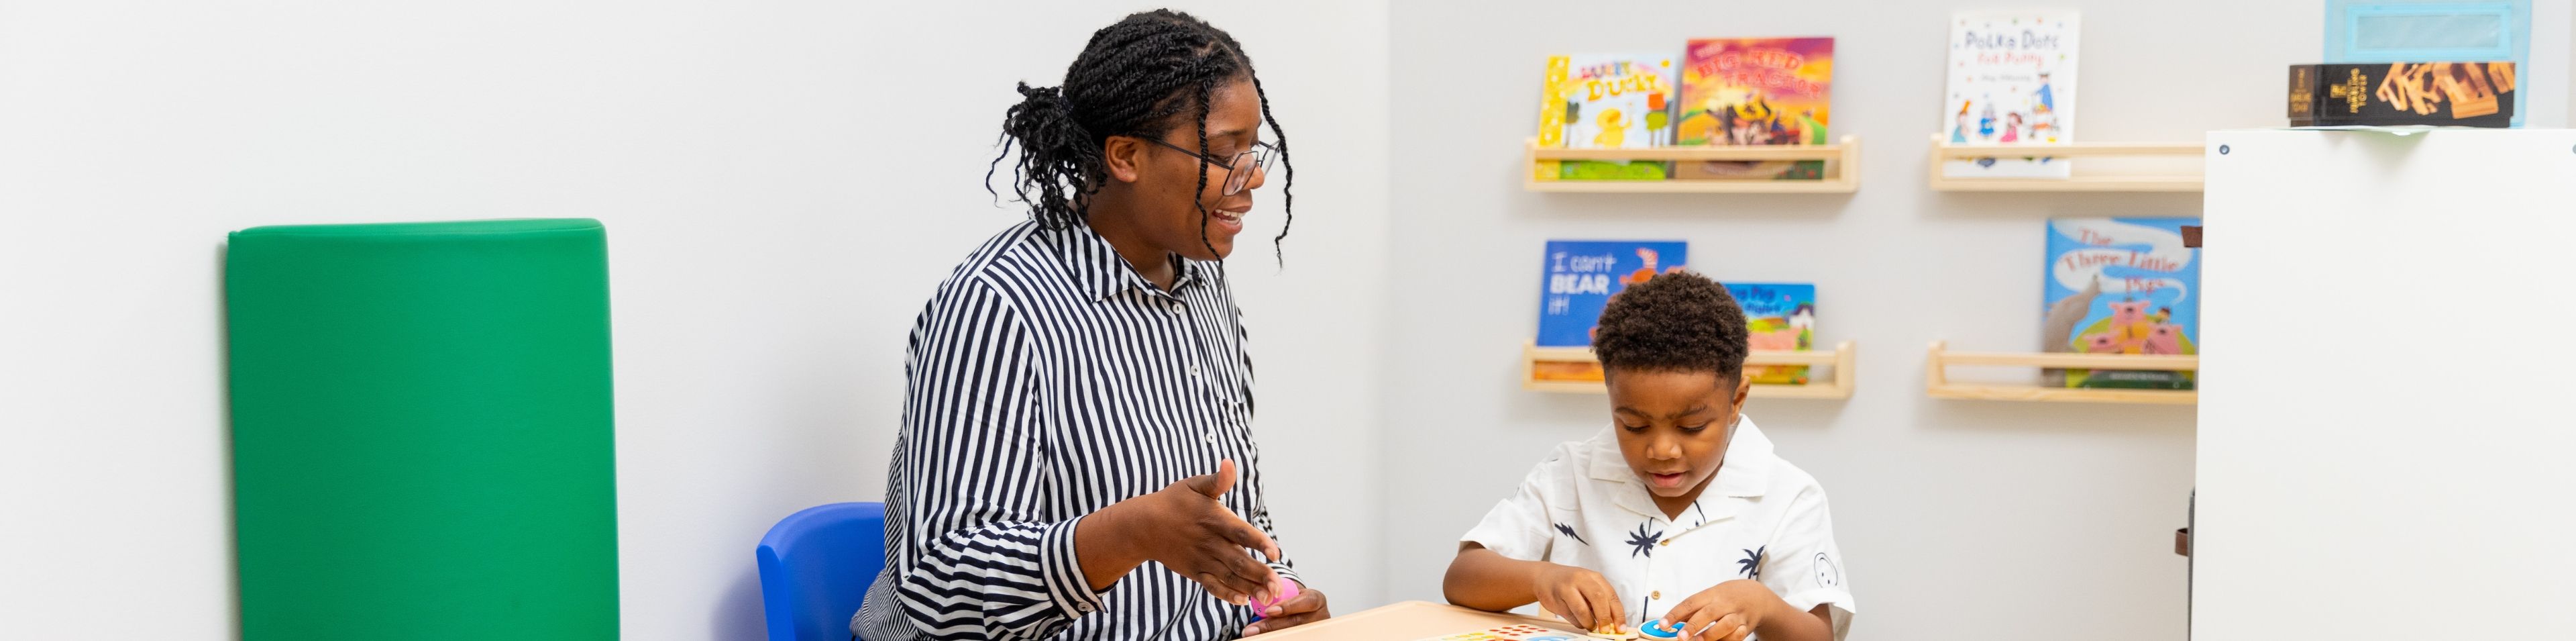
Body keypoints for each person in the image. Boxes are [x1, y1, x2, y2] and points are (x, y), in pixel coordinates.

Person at [853, 9, 1328, 640]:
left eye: (1254, 150)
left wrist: (1277, 597)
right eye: (1226, 153)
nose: (1256, 177)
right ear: (1126, 155)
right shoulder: (995, 306)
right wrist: (1130, 533)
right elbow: (943, 588)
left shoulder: (1204, 287)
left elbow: (1228, 517)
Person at [1442, 273, 1855, 641]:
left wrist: (1763, 605)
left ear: (1736, 402)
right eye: (1635, 426)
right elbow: (1462, 578)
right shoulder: (1570, 473)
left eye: (1691, 428)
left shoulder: (1788, 496)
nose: (1662, 450)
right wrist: (1542, 577)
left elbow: (1818, 635)